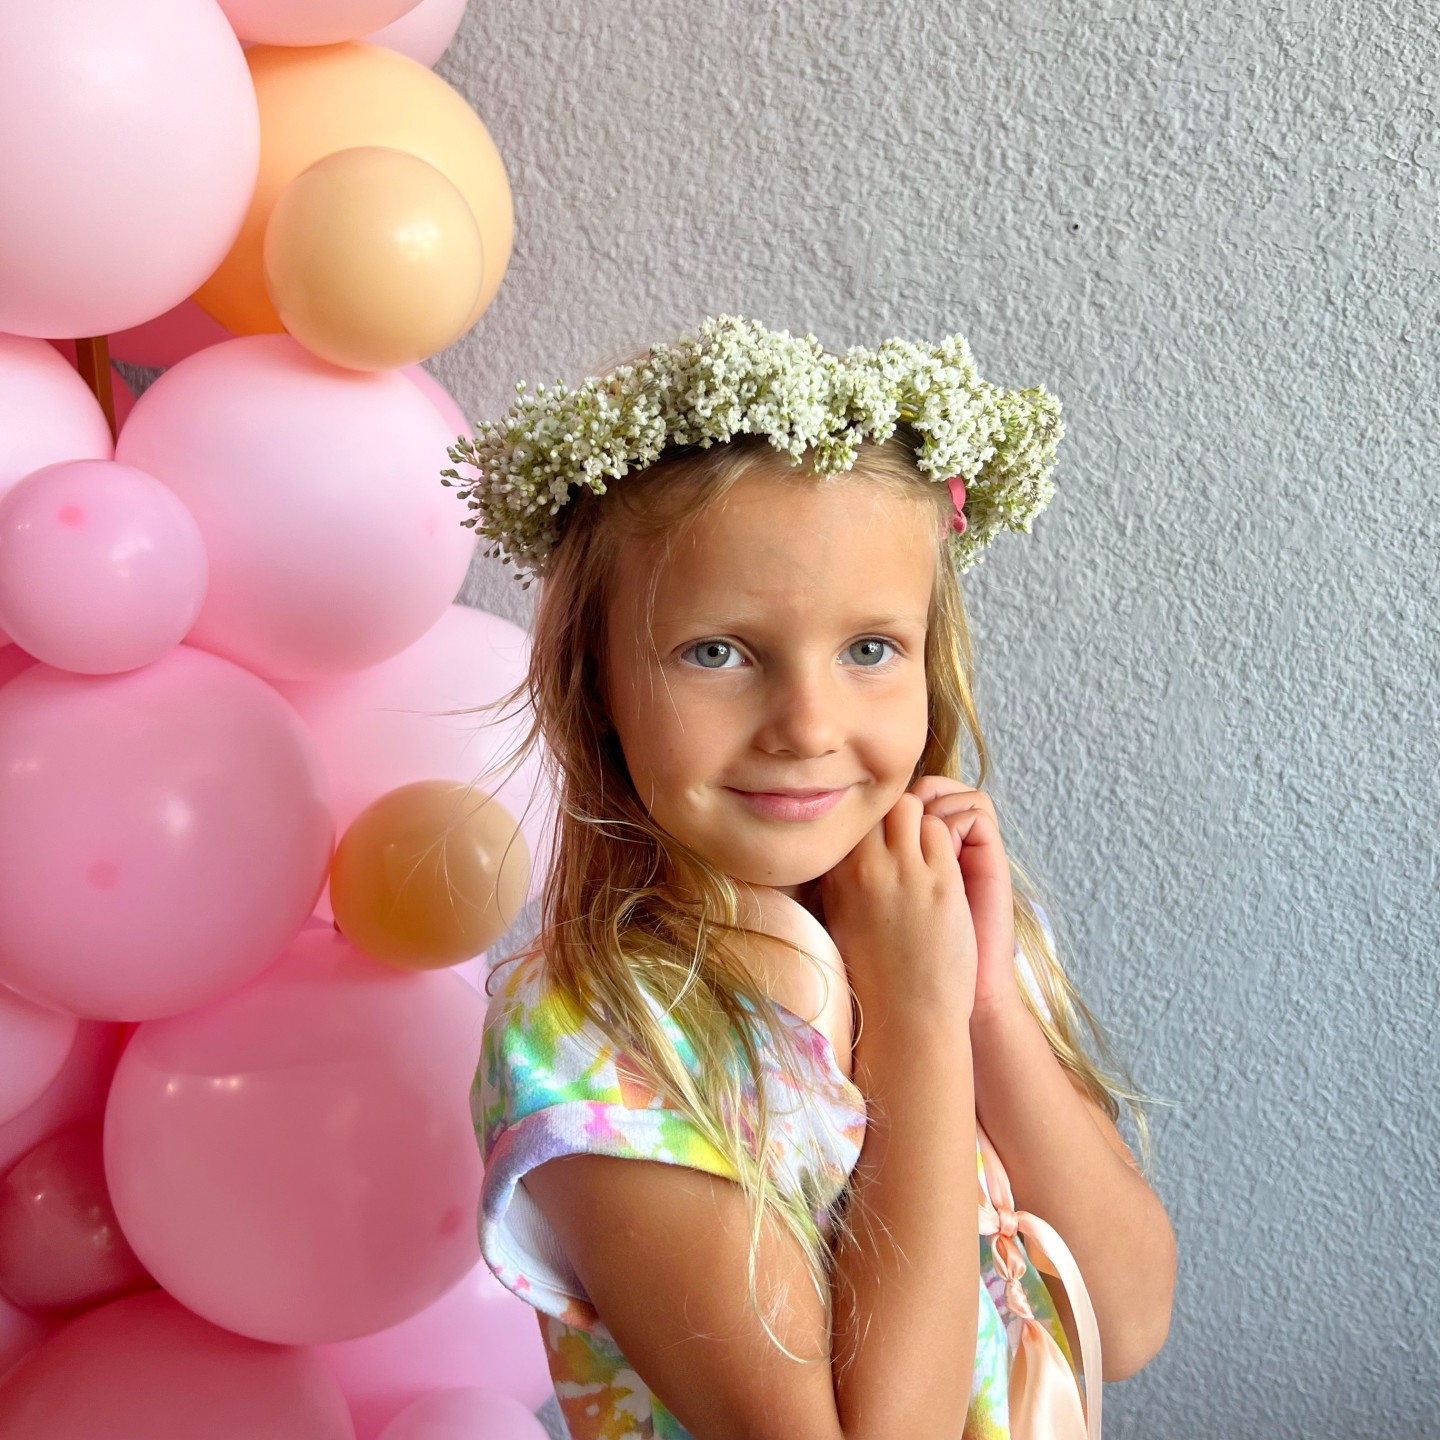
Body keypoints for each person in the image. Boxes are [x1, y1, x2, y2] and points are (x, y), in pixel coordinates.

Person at [447, 316, 1176, 1439]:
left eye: (870, 650)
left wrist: (978, 1000)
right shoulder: (594, 1039)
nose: (807, 725)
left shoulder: (918, 927)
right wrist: (919, 1022)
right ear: (598, 686)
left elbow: (1125, 1323)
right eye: (717, 652)